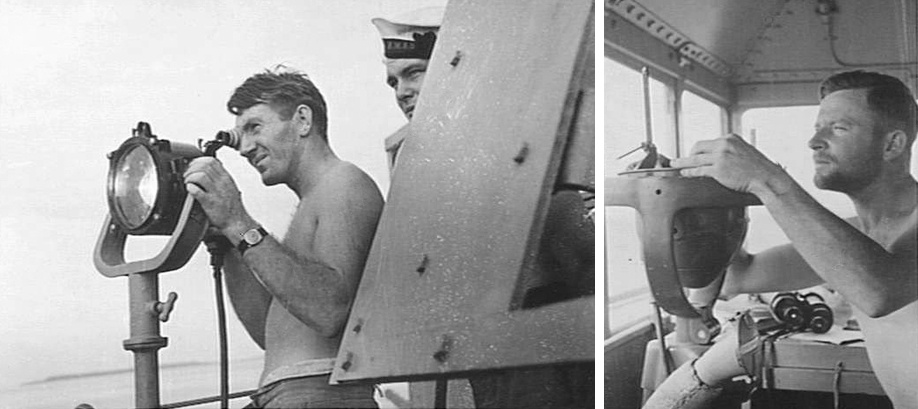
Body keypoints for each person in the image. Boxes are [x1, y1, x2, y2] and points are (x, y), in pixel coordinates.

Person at [644, 70, 917, 408]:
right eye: (818, 127)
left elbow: (879, 293)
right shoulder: (856, 235)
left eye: (839, 128)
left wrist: (765, 179)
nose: (815, 141)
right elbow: (738, 276)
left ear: (893, 144)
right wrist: (699, 204)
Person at [372, 7, 594, 408]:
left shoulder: (513, 131)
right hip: (484, 345)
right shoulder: (423, 157)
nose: (400, 91)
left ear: (456, 68)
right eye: (393, 81)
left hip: (539, 330)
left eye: (414, 73)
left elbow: (571, 239)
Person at [183, 68, 384, 408]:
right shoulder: (311, 203)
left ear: (303, 120)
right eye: (240, 134)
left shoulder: (344, 184)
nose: (245, 148)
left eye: (254, 127)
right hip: (288, 394)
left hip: (320, 394)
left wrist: (237, 220)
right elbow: (270, 334)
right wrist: (230, 245)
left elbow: (327, 311)